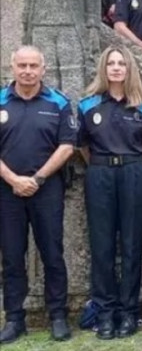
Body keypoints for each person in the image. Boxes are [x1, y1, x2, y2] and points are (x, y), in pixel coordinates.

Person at [77, 47, 142, 339]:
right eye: (111, 63)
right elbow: (83, 147)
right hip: (100, 172)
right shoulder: (88, 105)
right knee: (101, 246)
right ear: (104, 68)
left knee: (131, 244)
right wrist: (104, 166)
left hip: (133, 172)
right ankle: (105, 312)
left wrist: (131, 165)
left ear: (129, 69)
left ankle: (129, 311)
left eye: (121, 64)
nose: (116, 68)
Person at [0, 46, 76, 344]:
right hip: (7, 191)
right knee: (11, 257)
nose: (28, 70)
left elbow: (67, 146)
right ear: (12, 66)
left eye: (33, 65)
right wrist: (13, 179)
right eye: (22, 65)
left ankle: (58, 316)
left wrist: (38, 178)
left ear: (43, 69)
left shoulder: (58, 102)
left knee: (53, 254)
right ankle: (14, 319)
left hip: (47, 189)